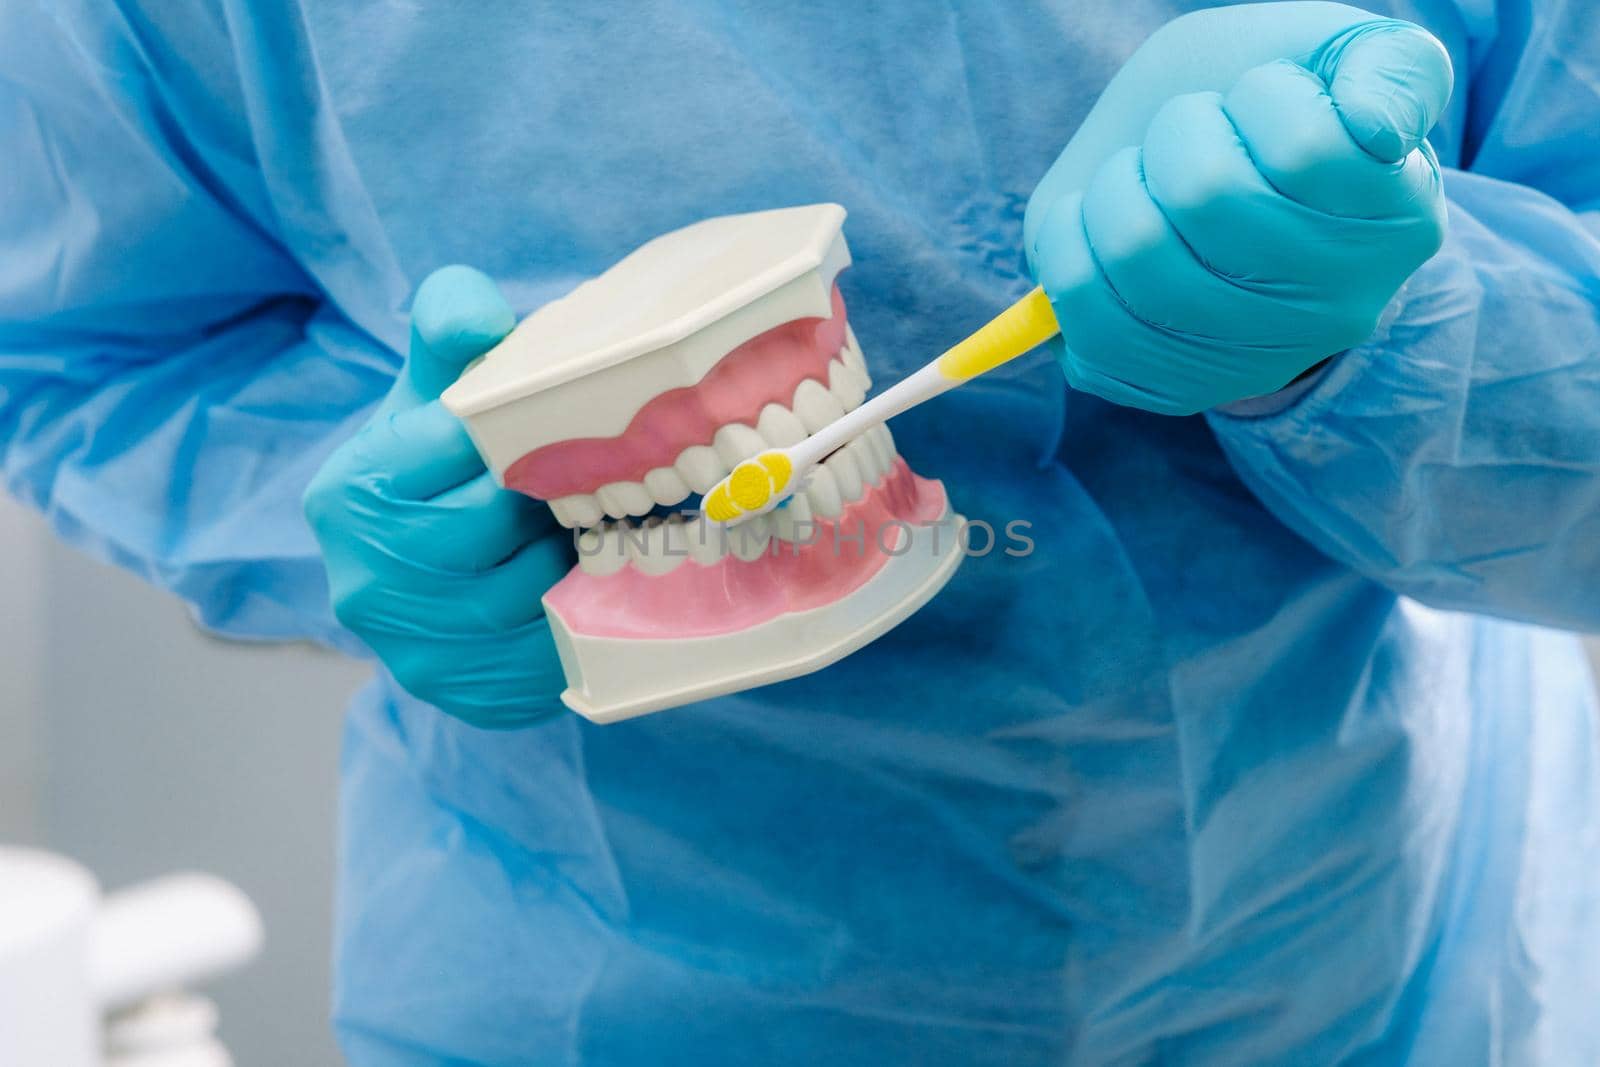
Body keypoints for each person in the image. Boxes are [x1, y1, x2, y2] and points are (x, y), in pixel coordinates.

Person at [2, 0, 1595, 1062]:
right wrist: (341, 505)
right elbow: (85, 352)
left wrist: (1397, 318)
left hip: (1357, 970)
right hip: (600, 989)